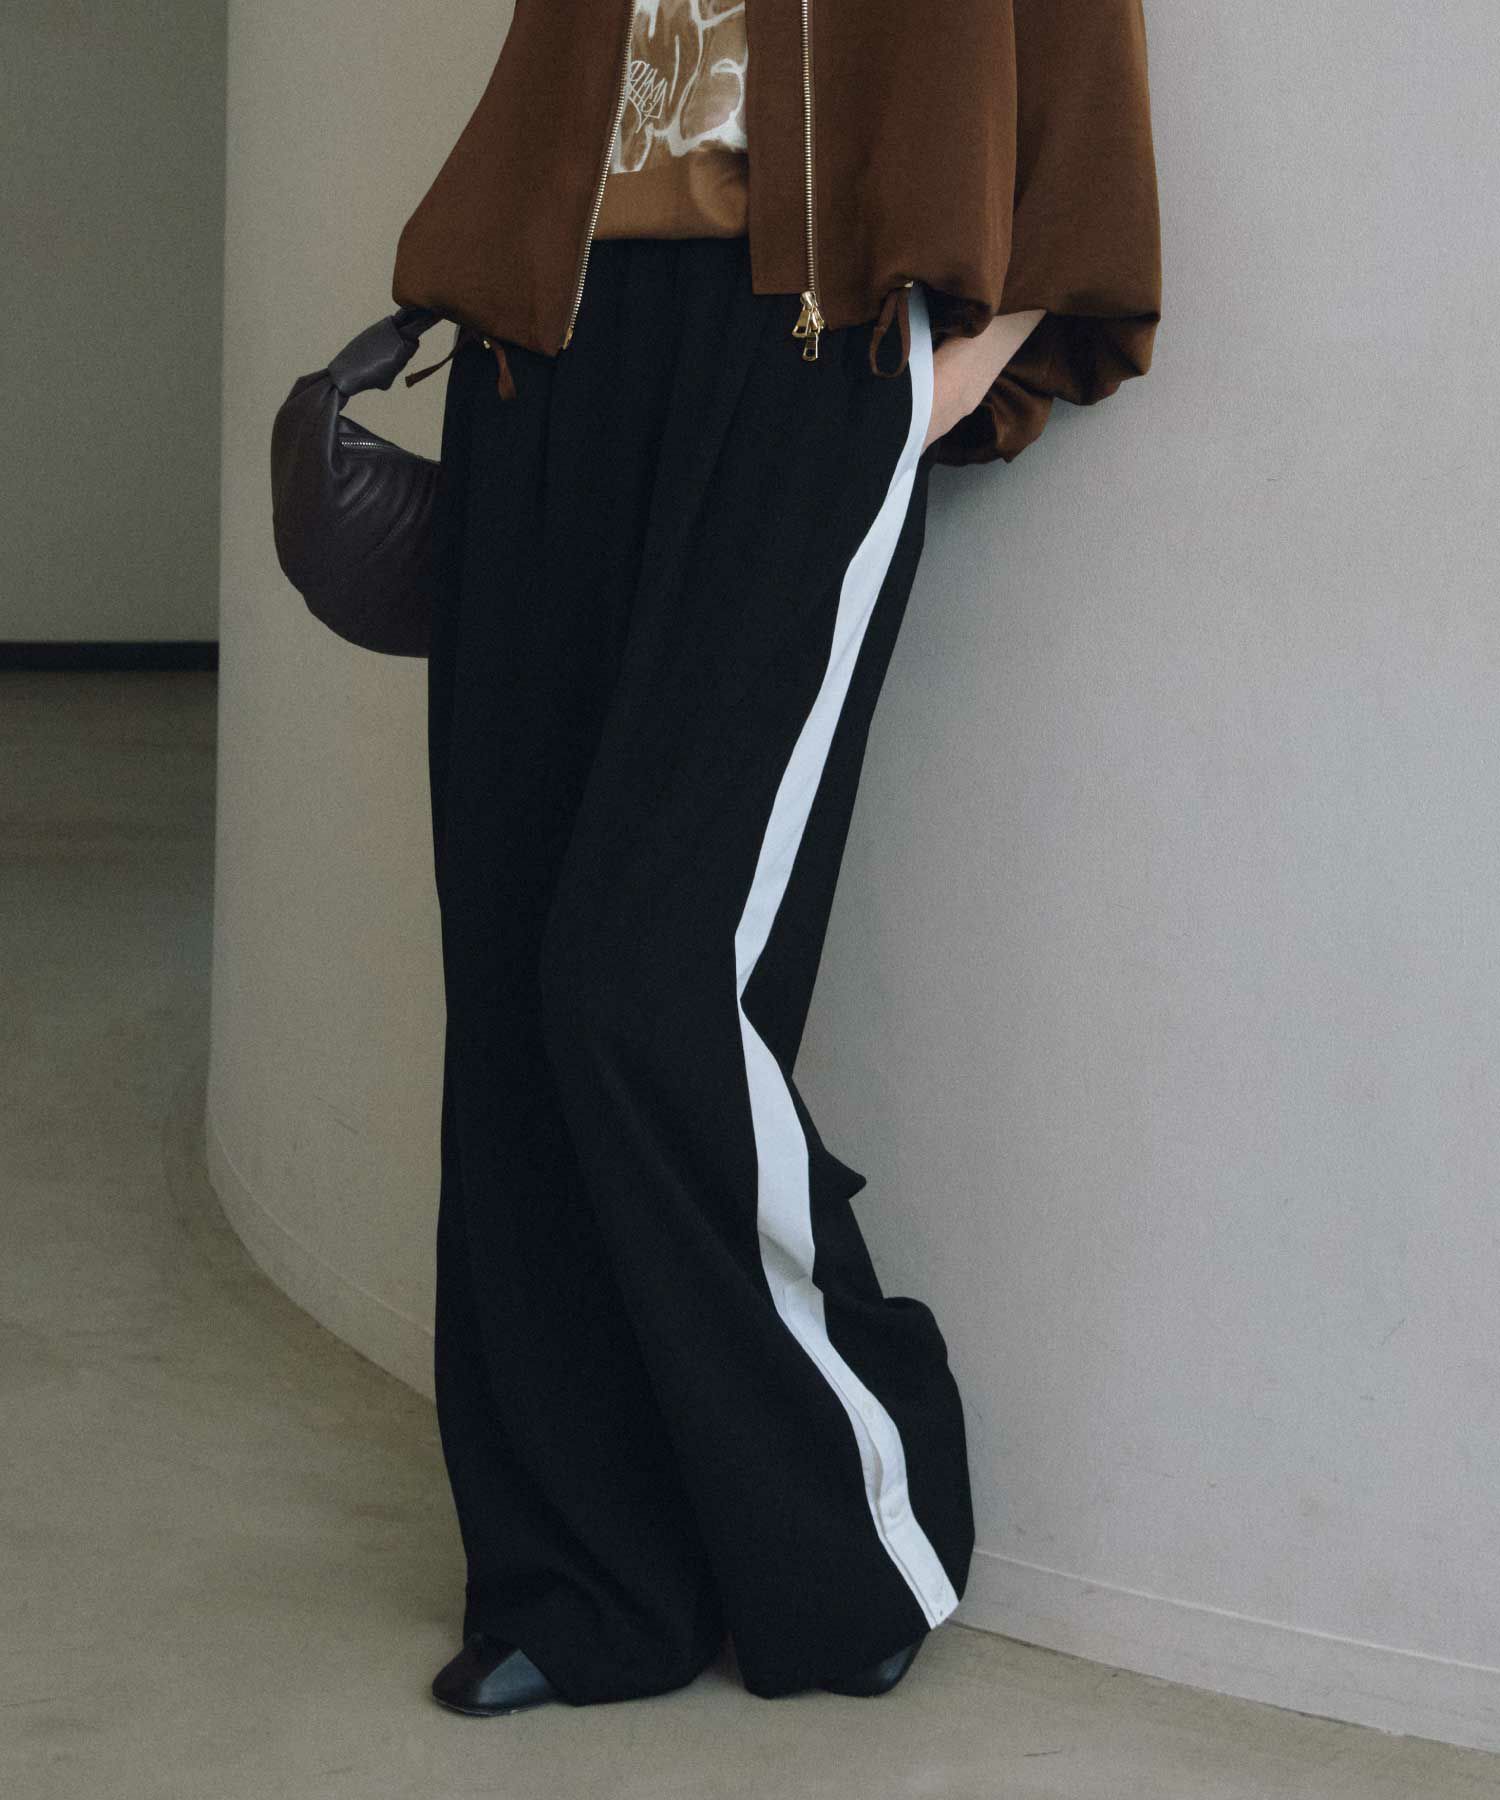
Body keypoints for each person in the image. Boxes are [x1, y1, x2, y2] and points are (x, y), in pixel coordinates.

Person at [392, 0, 1161, 1717]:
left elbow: (1084, 102)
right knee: (511, 981)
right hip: (543, 352)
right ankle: (580, 1583)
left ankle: (853, 1520)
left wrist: (940, 374)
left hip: (803, 348)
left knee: (639, 977)